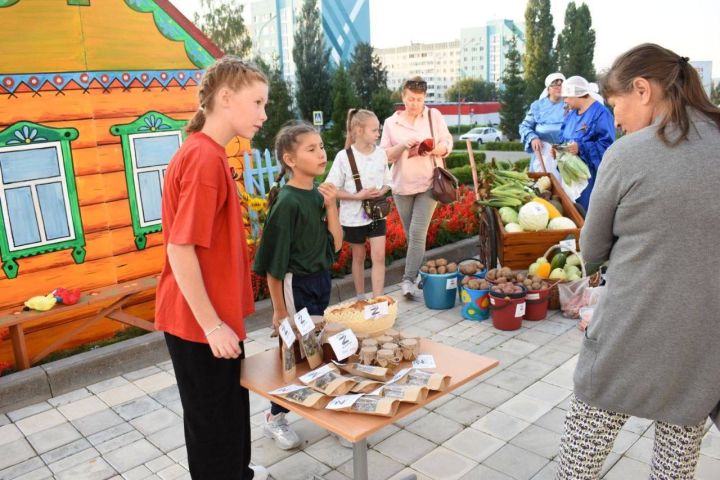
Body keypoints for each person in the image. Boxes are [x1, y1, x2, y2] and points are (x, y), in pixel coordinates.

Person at [556, 43, 720, 480]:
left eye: (615, 104)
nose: (616, 119)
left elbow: (591, 251)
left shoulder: (628, 154)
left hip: (626, 334)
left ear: (642, 89)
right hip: (702, 347)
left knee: (580, 462)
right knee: (674, 469)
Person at [154, 57, 269, 480]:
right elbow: (180, 249)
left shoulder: (207, 153)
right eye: (257, 102)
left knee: (227, 417)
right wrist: (212, 326)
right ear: (224, 98)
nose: (263, 114)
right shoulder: (203, 159)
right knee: (214, 428)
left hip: (211, 319)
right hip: (200, 323)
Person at [252, 122, 343, 450]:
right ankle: (275, 417)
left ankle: (329, 413)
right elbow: (273, 267)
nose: (321, 153)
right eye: (311, 149)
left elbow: (336, 246)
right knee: (295, 356)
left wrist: (331, 207)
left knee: (319, 349)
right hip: (296, 287)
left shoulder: (317, 196)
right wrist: (279, 310)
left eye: (321, 146)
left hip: (320, 281)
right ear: (290, 159)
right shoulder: (288, 202)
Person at [380, 76, 453, 298]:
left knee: (417, 232)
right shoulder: (391, 123)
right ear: (403, 97)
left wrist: (431, 149)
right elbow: (384, 155)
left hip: (430, 183)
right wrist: (403, 146)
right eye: (411, 99)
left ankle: (408, 280)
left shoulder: (434, 116)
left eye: (419, 99)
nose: (415, 104)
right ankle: (421, 274)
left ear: (424, 98)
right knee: (411, 237)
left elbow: (447, 143)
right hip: (402, 186)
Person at [326, 109, 392, 300]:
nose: (378, 134)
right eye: (374, 130)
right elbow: (332, 189)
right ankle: (361, 297)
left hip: (378, 213)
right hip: (353, 217)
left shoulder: (381, 154)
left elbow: (388, 180)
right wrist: (358, 196)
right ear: (359, 130)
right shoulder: (343, 157)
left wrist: (383, 189)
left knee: (379, 257)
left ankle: (378, 299)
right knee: (359, 257)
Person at [555, 75, 616, 211]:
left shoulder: (601, 114)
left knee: (585, 213)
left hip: (590, 179)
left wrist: (581, 148)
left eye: (566, 97)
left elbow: (608, 147)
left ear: (577, 95)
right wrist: (558, 148)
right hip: (570, 177)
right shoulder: (571, 115)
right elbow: (563, 136)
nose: (564, 101)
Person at [519, 72, 567, 178]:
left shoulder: (569, 104)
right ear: (548, 88)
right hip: (542, 153)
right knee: (542, 186)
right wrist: (533, 138)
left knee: (563, 188)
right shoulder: (538, 106)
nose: (559, 87)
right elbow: (524, 126)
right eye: (555, 84)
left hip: (564, 153)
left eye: (561, 84)